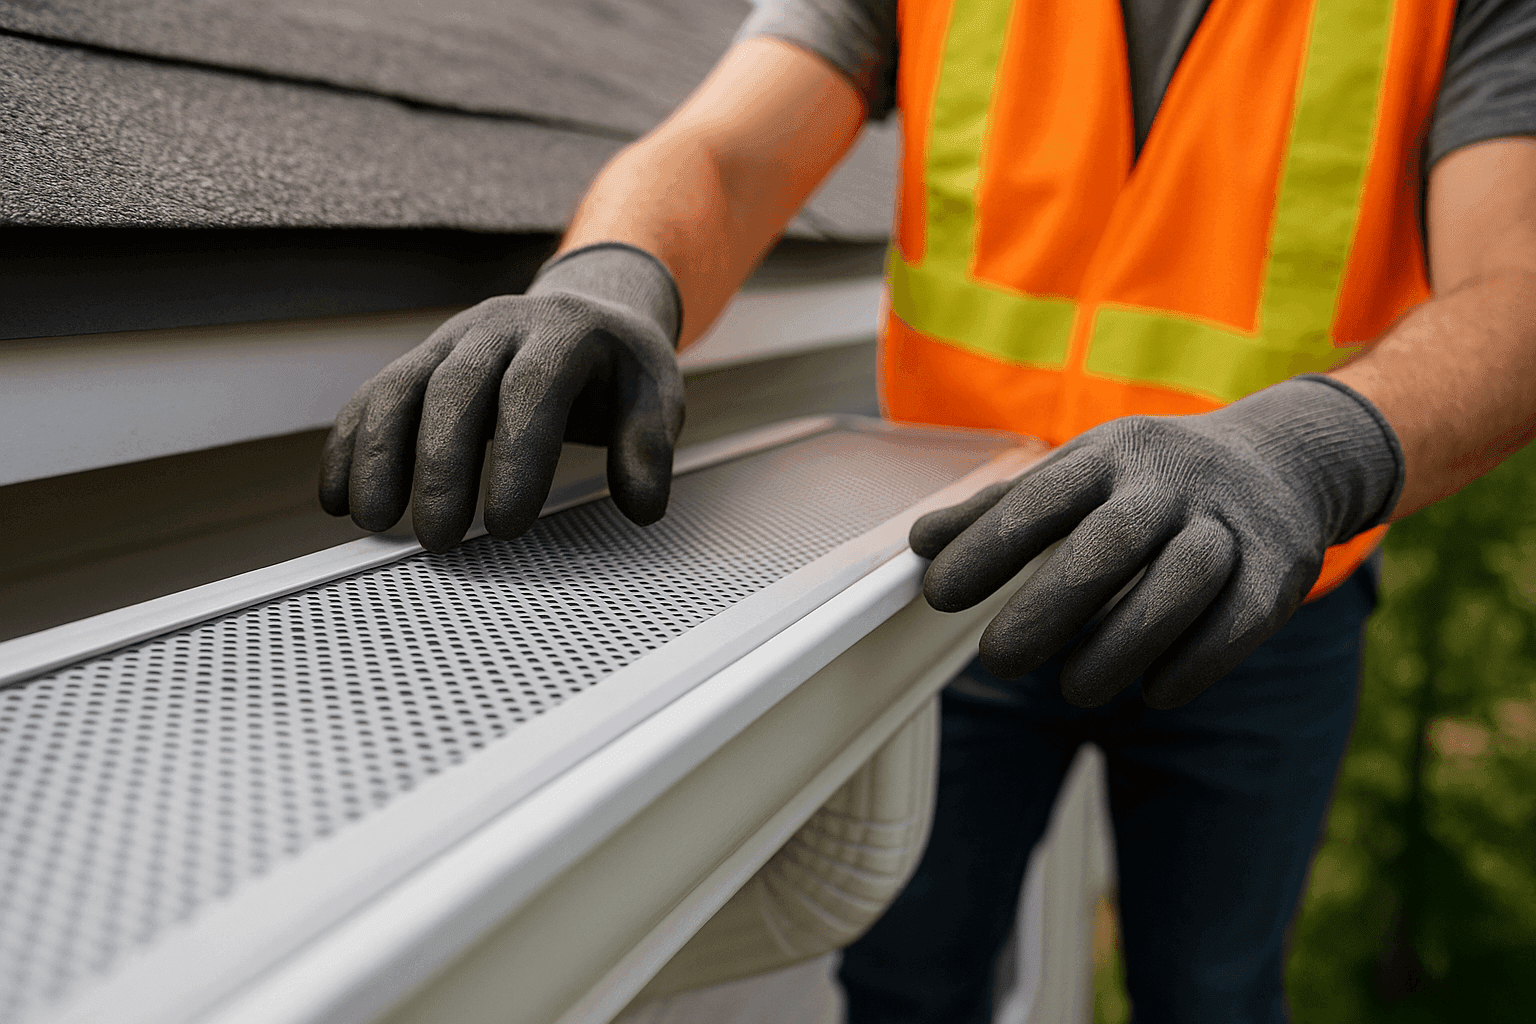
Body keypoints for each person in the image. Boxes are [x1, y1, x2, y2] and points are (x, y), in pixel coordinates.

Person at [319, 1, 1536, 1020]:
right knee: (910, 980)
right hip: (962, 577)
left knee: (1213, 995)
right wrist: (610, 274)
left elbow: (1517, 285)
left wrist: (1303, 455)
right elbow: (727, 148)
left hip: (1262, 595)